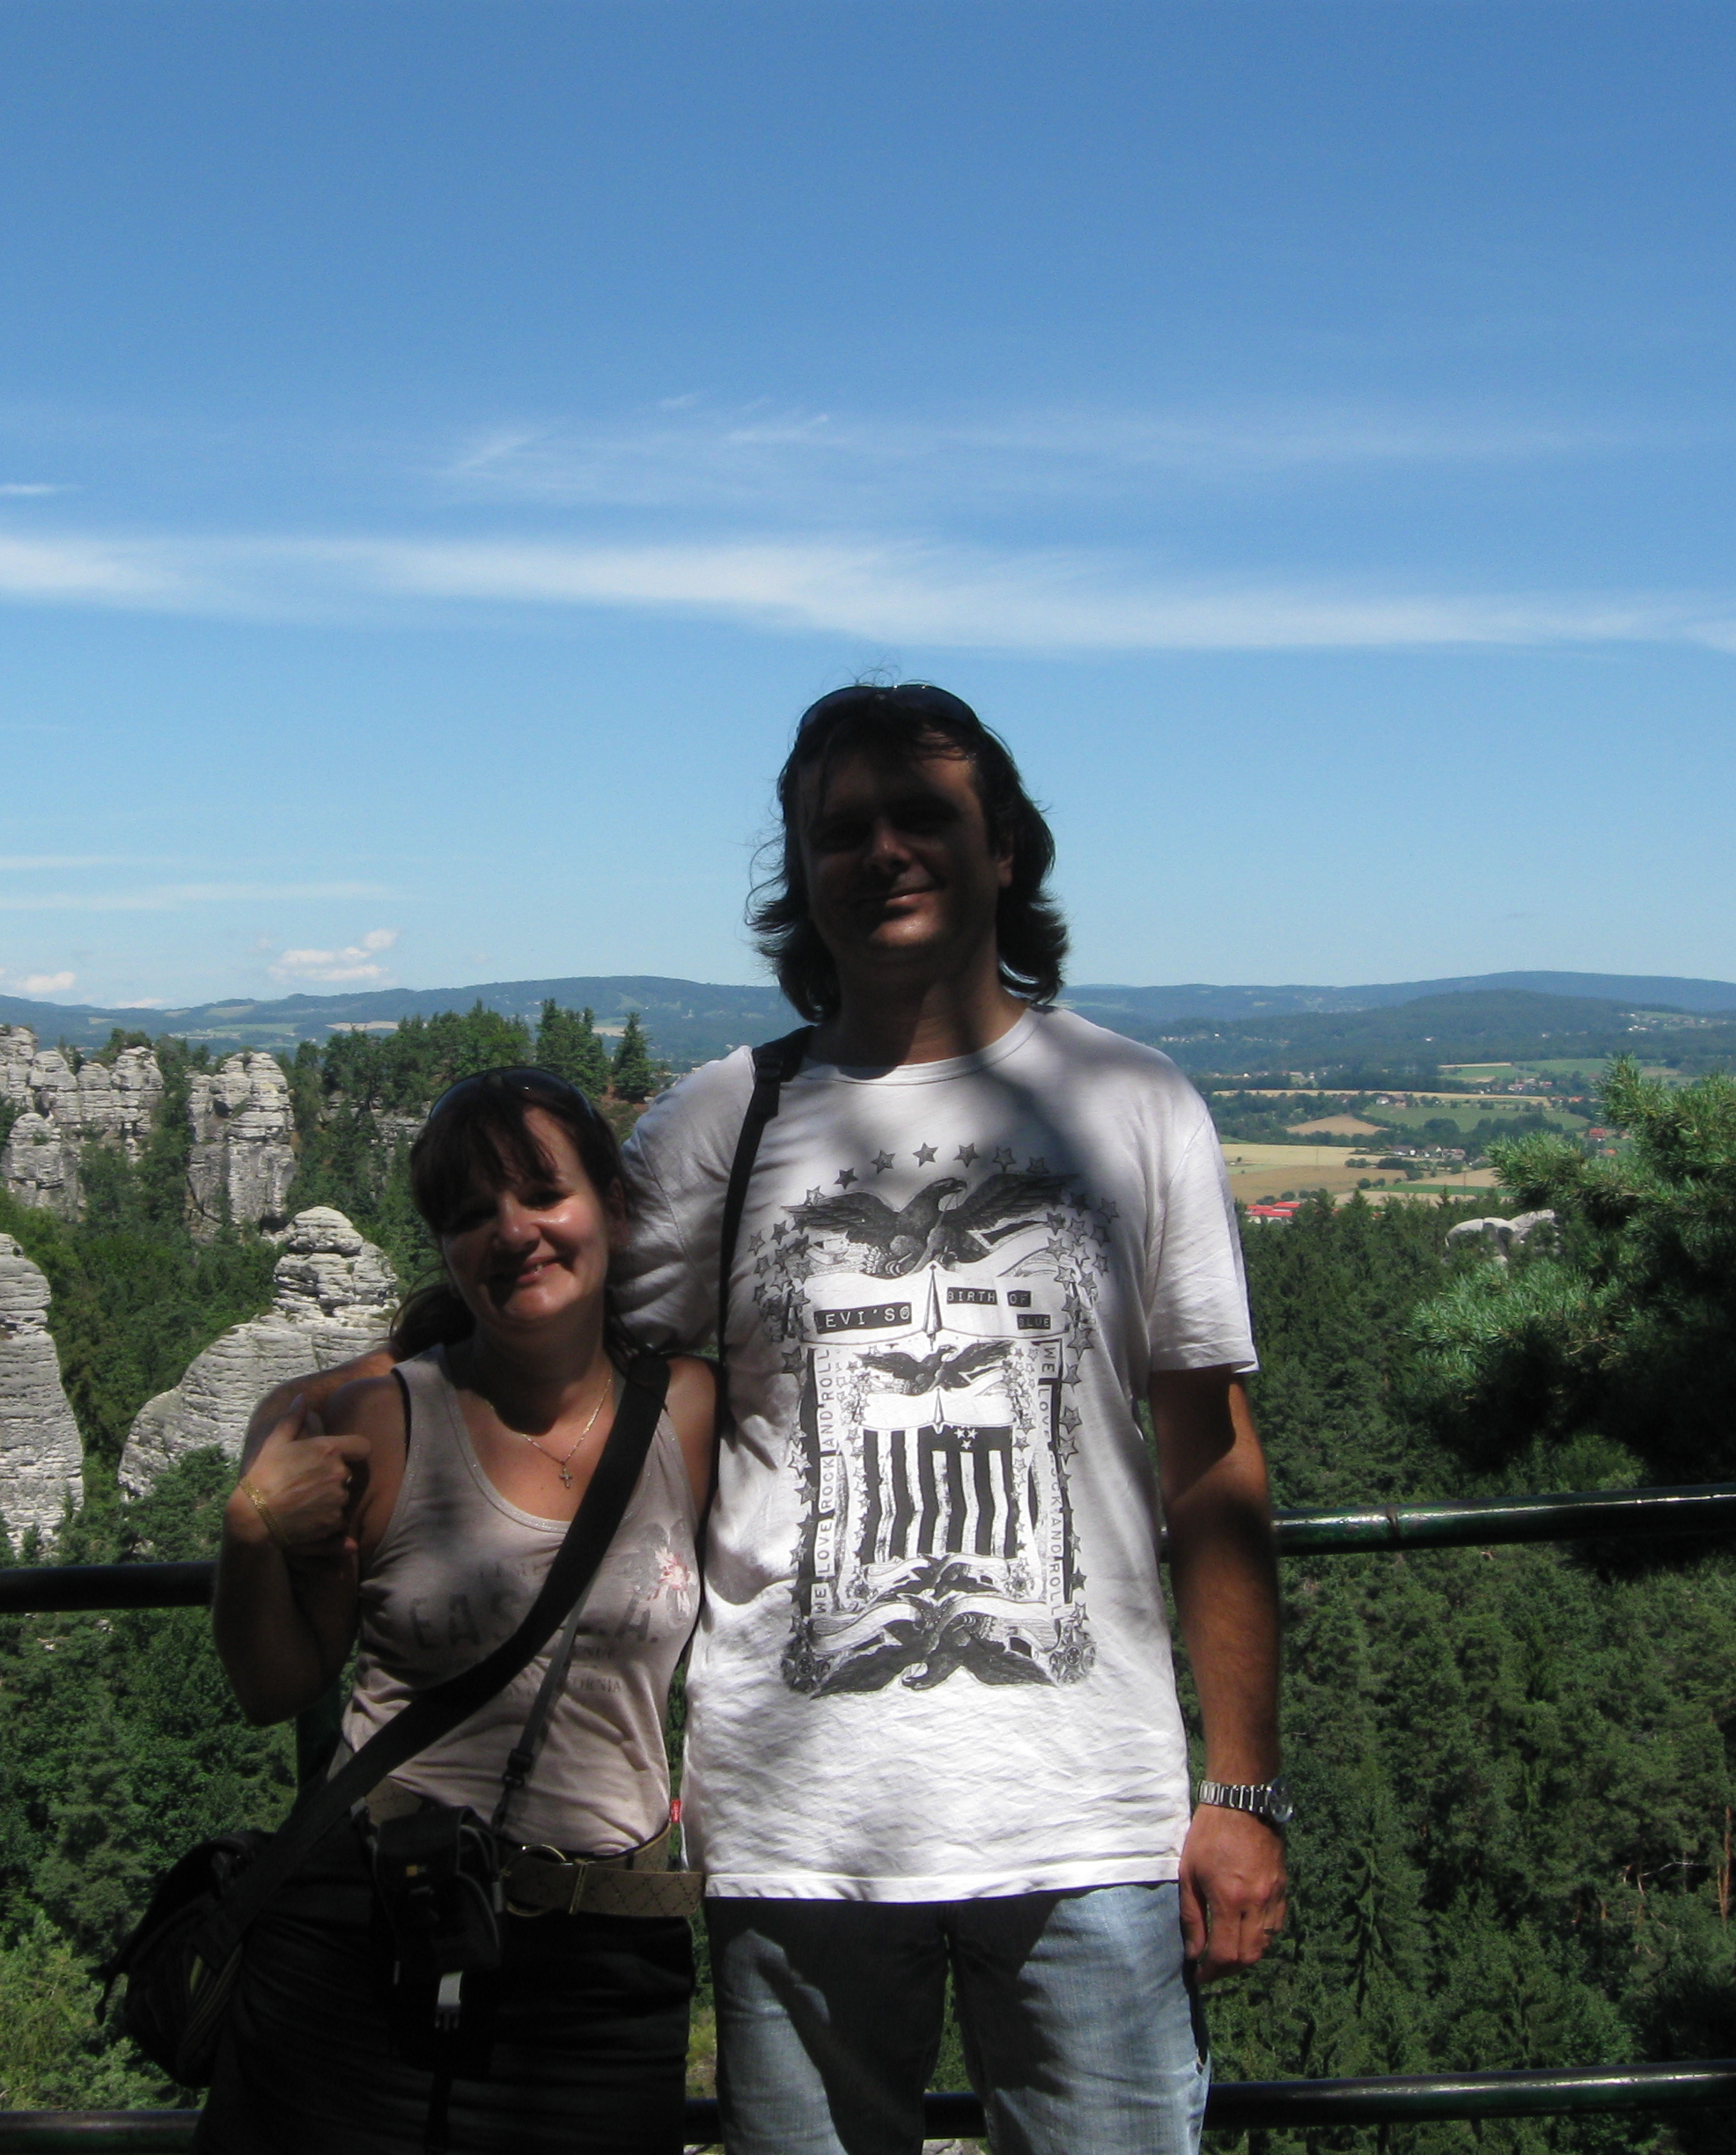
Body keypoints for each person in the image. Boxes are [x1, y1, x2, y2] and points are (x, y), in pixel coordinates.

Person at [606, 682, 1287, 2155]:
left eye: (922, 815)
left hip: (1086, 1824)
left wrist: (1238, 1788)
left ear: (1003, 849)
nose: (882, 852)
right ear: (799, 872)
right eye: (839, 829)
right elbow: (610, 1422)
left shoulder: (1134, 1103)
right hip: (794, 1831)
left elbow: (1212, 1463)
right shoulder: (713, 1128)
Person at [200, 1067, 719, 2155]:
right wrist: (249, 1530)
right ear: (445, 1247)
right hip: (381, 1928)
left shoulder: (689, 1412)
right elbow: (277, 1686)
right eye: (473, 1214)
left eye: (544, 1194)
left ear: (615, 1209)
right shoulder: (384, 1424)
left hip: (608, 1969)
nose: (514, 1232)